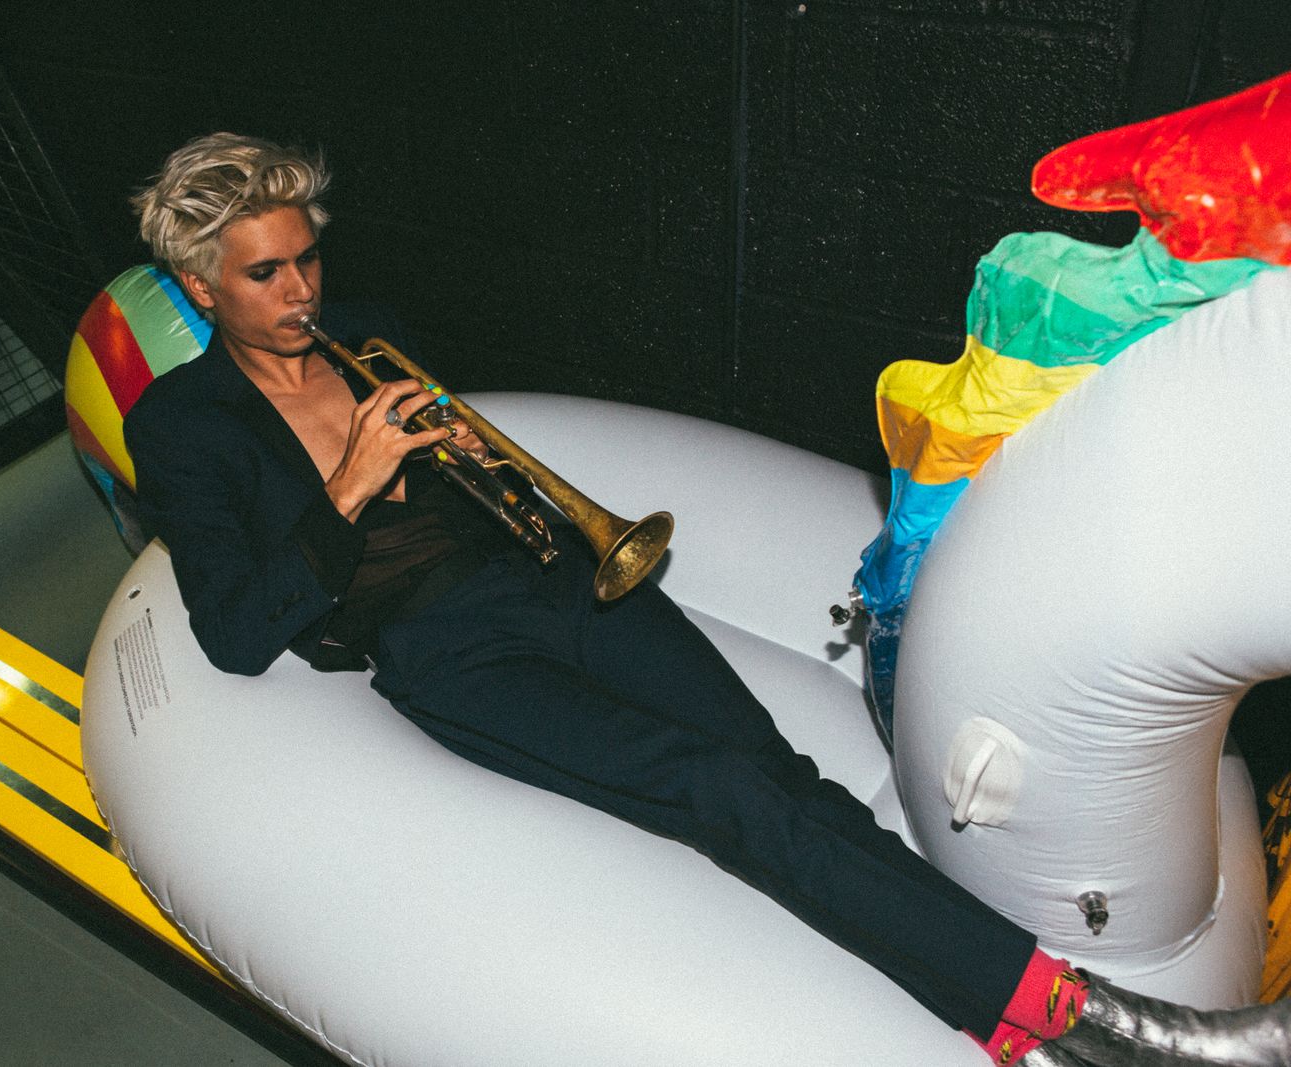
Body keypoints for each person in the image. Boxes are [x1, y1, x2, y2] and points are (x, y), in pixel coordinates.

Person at [122, 131, 1290, 1067]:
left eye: (306, 258)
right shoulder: (180, 426)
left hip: (558, 577)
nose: (301, 290)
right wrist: (350, 483)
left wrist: (472, 464)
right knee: (716, 787)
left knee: (779, 776)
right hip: (447, 649)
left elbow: (470, 471)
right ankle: (1096, 1020)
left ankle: (1000, 1005)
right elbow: (235, 629)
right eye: (265, 274)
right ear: (202, 288)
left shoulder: (365, 332)